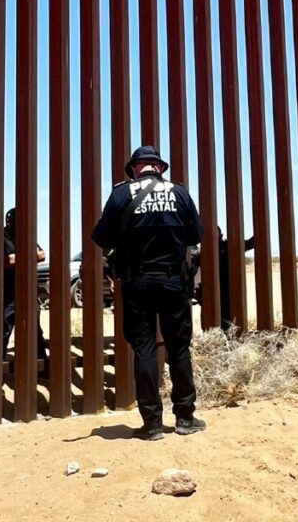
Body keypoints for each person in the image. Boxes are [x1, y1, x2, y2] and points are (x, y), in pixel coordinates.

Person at [92, 145, 204, 441]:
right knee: (178, 348)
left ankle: (153, 424)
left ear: (134, 168)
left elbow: (100, 237)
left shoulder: (120, 194)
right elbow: (196, 235)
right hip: (173, 283)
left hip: (137, 283)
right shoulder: (179, 193)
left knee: (143, 350)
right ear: (160, 167)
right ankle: (185, 418)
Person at [3, 207, 50, 371]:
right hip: (8, 293)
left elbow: (43, 255)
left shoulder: (27, 236)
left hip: (29, 291)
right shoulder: (2, 236)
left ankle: (43, 368)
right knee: (3, 329)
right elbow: (7, 261)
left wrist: (20, 256)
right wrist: (30, 255)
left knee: (35, 331)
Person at [217, 228, 255, 332]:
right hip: (212, 290)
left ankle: (230, 337)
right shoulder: (203, 252)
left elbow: (251, 243)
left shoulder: (230, 246)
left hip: (229, 287)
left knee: (228, 314)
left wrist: (261, 229)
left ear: (221, 235)